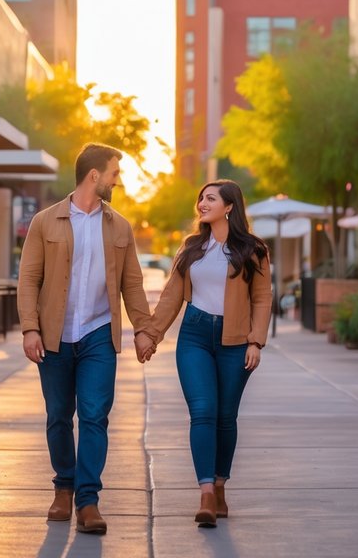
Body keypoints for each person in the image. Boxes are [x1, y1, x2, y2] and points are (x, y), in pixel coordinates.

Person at [16, 143, 155, 535]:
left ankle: (88, 500)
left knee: (94, 416)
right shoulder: (46, 222)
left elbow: (133, 284)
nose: (117, 180)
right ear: (94, 175)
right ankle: (64, 486)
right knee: (59, 415)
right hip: (55, 335)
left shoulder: (120, 226)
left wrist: (144, 329)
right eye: (114, 172)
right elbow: (28, 280)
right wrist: (30, 327)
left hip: (97, 333)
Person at [140, 179, 271, 527]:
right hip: (195, 335)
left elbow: (262, 298)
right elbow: (170, 296)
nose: (202, 203)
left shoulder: (252, 249)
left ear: (229, 207)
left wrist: (256, 341)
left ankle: (220, 484)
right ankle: (206, 494)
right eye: (201, 197)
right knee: (203, 411)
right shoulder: (192, 247)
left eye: (210, 198)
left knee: (226, 416)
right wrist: (151, 335)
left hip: (235, 341)